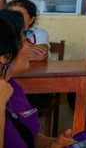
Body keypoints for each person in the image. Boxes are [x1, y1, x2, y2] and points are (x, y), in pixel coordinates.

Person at [0, 9, 76, 148]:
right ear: (5, 57)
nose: (30, 44)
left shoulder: (13, 87)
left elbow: (29, 136)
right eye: (25, 38)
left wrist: (54, 143)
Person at [6, 0, 54, 113]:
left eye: (19, 15)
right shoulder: (4, 33)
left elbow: (40, 56)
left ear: (32, 19)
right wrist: (25, 51)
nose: (15, 18)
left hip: (36, 87)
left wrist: (11, 53)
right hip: (8, 82)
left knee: (22, 108)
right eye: (11, 14)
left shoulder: (38, 33)